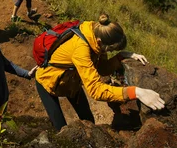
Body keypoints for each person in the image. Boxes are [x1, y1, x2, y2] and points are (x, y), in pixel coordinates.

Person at [35, 14, 165, 131]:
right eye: (109, 50)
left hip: (72, 82)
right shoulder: (81, 48)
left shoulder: (96, 34)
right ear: (100, 42)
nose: (108, 53)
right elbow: (95, 90)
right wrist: (136, 92)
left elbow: (102, 69)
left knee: (88, 121)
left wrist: (121, 56)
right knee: (61, 129)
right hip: (48, 82)